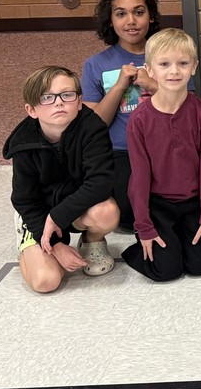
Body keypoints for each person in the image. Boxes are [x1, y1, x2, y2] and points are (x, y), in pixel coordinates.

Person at [7, 66, 119, 292]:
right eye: (47, 97)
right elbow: (24, 200)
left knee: (106, 211)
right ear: (31, 110)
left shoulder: (92, 128)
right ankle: (28, 245)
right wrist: (56, 246)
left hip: (76, 206)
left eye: (67, 95)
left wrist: (57, 217)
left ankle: (92, 241)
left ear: (79, 102)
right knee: (46, 282)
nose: (58, 103)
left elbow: (100, 182)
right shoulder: (23, 144)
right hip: (38, 212)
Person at [121, 29, 201, 282]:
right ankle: (138, 249)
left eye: (183, 63)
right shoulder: (139, 120)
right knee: (167, 271)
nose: (174, 71)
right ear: (150, 70)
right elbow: (139, 177)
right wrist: (143, 226)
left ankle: (183, 242)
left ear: (194, 67)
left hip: (193, 203)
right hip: (158, 205)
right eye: (164, 64)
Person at [81, 0, 161, 229]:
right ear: (111, 20)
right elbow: (94, 124)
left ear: (151, 16)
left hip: (164, 148)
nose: (131, 21)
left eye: (139, 12)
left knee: (168, 207)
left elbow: (189, 108)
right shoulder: (96, 64)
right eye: (121, 14)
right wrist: (119, 87)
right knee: (127, 216)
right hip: (120, 152)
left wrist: (154, 85)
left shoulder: (167, 55)